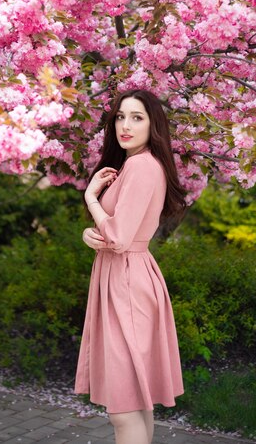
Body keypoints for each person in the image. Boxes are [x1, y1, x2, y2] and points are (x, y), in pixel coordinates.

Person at [74, 89, 186, 444]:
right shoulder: (139, 164)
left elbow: (120, 238)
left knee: (123, 411)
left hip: (126, 282)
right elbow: (120, 230)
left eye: (137, 117)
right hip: (129, 276)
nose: (125, 125)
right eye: (121, 116)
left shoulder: (140, 165)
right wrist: (92, 234)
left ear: (154, 124)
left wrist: (91, 197)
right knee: (137, 403)